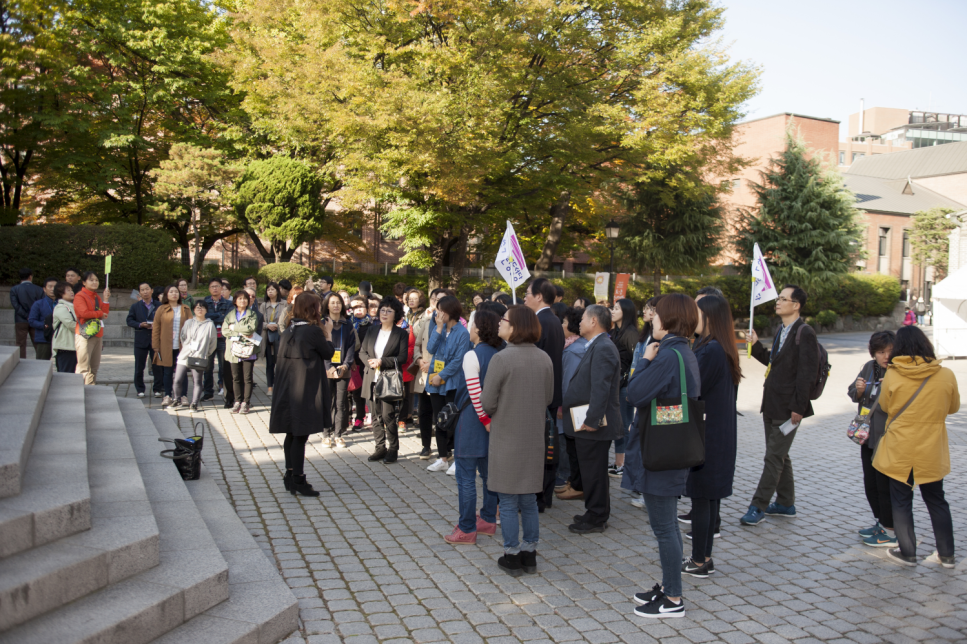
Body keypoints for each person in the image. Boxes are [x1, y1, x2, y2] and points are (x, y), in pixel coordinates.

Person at [626, 293, 701, 619]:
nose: (652, 319)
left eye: (656, 314)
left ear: (669, 319)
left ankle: (673, 599)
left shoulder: (668, 355)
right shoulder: (682, 351)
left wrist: (644, 361)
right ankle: (670, 586)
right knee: (667, 525)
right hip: (672, 448)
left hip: (662, 452)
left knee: (665, 528)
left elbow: (634, 393)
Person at [873, 326, 960, 568]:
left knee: (901, 501)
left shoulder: (893, 374)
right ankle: (947, 555)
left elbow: (886, 406)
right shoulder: (946, 374)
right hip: (931, 447)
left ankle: (908, 552)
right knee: (937, 500)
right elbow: (953, 407)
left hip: (900, 447)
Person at [481, 306, 553, 576]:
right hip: (533, 437)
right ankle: (529, 553)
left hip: (506, 437)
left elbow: (487, 402)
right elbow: (548, 397)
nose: (499, 323)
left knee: (509, 500)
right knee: (529, 500)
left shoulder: (502, 359)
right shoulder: (544, 358)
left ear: (515, 326)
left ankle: (511, 555)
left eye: (504, 319)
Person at [741, 285, 819, 526]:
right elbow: (773, 363)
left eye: (784, 299)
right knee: (779, 455)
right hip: (771, 403)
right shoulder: (781, 330)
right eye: (779, 298)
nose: (778, 302)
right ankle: (785, 504)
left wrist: (798, 407)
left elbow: (807, 374)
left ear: (796, 305)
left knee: (773, 458)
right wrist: (756, 345)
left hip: (788, 408)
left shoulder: (805, 332)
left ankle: (758, 506)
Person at [683, 295, 741, 578]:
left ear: (709, 316)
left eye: (697, 312)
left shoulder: (711, 350)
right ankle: (703, 558)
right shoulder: (718, 347)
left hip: (708, 436)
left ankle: (699, 560)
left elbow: (691, 389)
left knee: (702, 498)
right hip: (717, 434)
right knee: (707, 498)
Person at [561, 304, 622, 534]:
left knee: (594, 471)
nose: (580, 323)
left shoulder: (603, 347)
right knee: (592, 470)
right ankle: (594, 511)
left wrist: (592, 420)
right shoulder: (597, 344)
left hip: (594, 424)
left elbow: (601, 388)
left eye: (583, 319)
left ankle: (597, 517)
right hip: (588, 421)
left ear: (594, 321)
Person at [445, 310, 504, 544]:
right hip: (494, 418)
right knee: (489, 474)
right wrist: (490, 420)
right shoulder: (499, 353)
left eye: (471, 325)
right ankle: (488, 519)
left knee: (466, 477)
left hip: (473, 419)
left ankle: (467, 527)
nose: (469, 329)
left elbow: (475, 393)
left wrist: (484, 420)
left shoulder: (472, 355)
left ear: (478, 329)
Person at [270, 293, 334, 496]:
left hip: (288, 389)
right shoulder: (313, 331)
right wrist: (328, 334)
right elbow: (328, 353)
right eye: (317, 306)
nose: (320, 310)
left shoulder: (289, 329)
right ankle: (298, 479)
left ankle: (290, 475)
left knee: (291, 433)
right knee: (299, 435)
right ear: (311, 309)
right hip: (304, 389)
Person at [848, 330, 896, 547]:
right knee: (870, 484)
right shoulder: (869, 367)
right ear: (873, 353)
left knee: (884, 485)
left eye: (889, 351)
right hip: (867, 435)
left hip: (887, 436)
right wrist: (858, 390)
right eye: (880, 352)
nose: (885, 356)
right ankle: (881, 521)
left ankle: (890, 528)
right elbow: (853, 392)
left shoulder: (898, 371)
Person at [524, 278, 564, 511]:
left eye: (528, 293)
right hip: (549, 393)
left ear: (539, 296)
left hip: (539, 395)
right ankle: (543, 496)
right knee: (546, 445)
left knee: (540, 448)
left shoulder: (541, 322)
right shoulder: (553, 320)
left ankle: (537, 497)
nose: (525, 298)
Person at [425, 295, 472, 472]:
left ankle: (458, 460)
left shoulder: (462, 333)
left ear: (449, 311)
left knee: (454, 419)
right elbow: (430, 348)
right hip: (435, 379)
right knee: (439, 419)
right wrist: (438, 328)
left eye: (440, 310)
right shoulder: (438, 327)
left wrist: (442, 375)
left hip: (452, 381)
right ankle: (442, 458)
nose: (437, 313)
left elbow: (458, 360)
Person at [359, 297, 409, 463]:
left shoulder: (401, 333)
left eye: (389, 311)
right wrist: (370, 362)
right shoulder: (372, 330)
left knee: (388, 415)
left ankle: (393, 449)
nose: (384, 313)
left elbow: (402, 357)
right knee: (374, 415)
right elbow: (362, 352)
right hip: (371, 376)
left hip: (388, 379)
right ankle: (380, 447)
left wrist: (382, 361)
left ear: (396, 314)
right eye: (382, 310)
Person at [622, 296, 659, 509]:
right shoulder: (644, 336)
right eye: (645, 308)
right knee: (638, 443)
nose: (645, 311)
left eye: (650, 308)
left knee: (647, 446)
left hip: (648, 397)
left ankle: (647, 492)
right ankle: (640, 485)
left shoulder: (659, 341)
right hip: (638, 392)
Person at [555, 307, 588, 499]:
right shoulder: (580, 345)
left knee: (573, 447)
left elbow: (568, 383)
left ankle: (576, 484)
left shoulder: (572, 351)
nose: (561, 325)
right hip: (582, 406)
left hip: (574, 408)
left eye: (564, 322)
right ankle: (575, 482)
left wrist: (562, 406)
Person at [608, 298, 638, 479]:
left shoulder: (631, 333)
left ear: (626, 312)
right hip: (616, 384)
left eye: (617, 308)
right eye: (613, 307)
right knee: (618, 424)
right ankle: (619, 461)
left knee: (624, 424)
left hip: (626, 385)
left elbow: (636, 362)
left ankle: (624, 463)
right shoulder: (615, 332)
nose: (612, 310)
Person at [321, 292, 356, 448]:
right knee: (327, 402)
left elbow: (351, 346)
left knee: (341, 403)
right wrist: (329, 367)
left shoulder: (348, 324)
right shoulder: (322, 323)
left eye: (338, 303)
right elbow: (321, 346)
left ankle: (338, 434)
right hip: (326, 368)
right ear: (327, 305)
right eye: (332, 302)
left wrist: (346, 365)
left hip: (343, 368)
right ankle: (326, 434)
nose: (336, 305)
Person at [413, 289, 444, 459]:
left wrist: (430, 365)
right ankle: (426, 446)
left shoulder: (452, 324)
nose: (436, 303)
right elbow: (417, 343)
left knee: (440, 412)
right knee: (424, 411)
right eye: (434, 299)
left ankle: (444, 448)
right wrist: (418, 360)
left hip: (439, 372)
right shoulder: (426, 321)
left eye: (440, 299)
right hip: (423, 371)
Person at [173, 300, 217, 412]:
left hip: (199, 356)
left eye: (202, 307)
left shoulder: (210, 324)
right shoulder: (188, 322)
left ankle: (194, 403)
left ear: (206, 310)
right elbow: (183, 337)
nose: (199, 309)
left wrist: (205, 353)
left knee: (197, 381)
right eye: (197, 307)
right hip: (185, 355)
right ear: (193, 310)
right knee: (177, 379)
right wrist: (187, 348)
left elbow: (213, 343)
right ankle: (177, 399)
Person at [152, 285, 192, 408]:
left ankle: (183, 396)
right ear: (166, 295)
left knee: (182, 372)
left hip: (182, 346)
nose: (174, 294)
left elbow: (192, 327)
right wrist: (156, 345)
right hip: (166, 345)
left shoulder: (185, 309)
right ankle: (168, 395)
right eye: (171, 292)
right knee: (167, 372)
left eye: (176, 292)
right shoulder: (161, 309)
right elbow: (156, 328)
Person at [224, 290, 262, 414]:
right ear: (235, 301)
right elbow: (225, 330)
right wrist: (241, 333)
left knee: (247, 378)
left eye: (245, 298)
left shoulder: (252, 314)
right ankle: (237, 401)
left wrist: (234, 328)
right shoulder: (230, 314)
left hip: (248, 349)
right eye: (239, 298)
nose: (243, 301)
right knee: (235, 378)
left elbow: (250, 329)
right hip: (233, 350)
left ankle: (246, 402)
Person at [73, 271, 111, 385]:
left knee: (94, 367)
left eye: (96, 280)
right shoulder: (80, 296)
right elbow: (83, 313)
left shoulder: (96, 296)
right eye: (91, 280)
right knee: (83, 367)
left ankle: (91, 388)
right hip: (84, 334)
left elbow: (104, 314)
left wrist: (105, 299)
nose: (95, 282)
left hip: (97, 333)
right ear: (84, 282)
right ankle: (79, 390)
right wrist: (99, 314)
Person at [203, 278, 234, 402]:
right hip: (208, 338)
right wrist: (218, 315)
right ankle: (208, 392)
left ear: (222, 288)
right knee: (208, 367)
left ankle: (224, 390)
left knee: (224, 366)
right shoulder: (205, 302)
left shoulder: (228, 303)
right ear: (209, 289)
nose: (215, 288)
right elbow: (204, 317)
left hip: (222, 338)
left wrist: (213, 317)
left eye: (217, 286)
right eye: (212, 286)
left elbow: (227, 318)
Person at [127, 282, 159, 398]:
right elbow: (129, 321)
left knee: (157, 366)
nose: (145, 292)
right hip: (141, 340)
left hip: (155, 339)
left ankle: (157, 389)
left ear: (152, 290)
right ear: (139, 293)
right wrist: (140, 324)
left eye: (147, 289)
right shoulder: (135, 306)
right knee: (139, 366)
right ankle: (140, 389)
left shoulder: (159, 305)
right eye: (142, 290)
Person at [260, 282, 289, 396]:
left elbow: (287, 320)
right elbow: (259, 321)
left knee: (280, 362)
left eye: (272, 289)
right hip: (267, 336)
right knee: (269, 362)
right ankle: (270, 387)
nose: (270, 291)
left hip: (280, 335)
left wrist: (278, 325)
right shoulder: (263, 305)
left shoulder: (284, 304)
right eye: (268, 290)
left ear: (278, 291)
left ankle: (279, 386)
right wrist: (267, 325)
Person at [349, 294, 374, 429]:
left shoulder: (372, 325)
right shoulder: (348, 324)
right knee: (355, 391)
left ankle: (370, 416)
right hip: (352, 361)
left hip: (368, 362)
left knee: (368, 390)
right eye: (355, 307)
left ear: (367, 308)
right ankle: (357, 417)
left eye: (361, 306)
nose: (358, 309)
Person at [11, 268, 43, 359]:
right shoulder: (39, 289)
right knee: (37, 342)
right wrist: (32, 316)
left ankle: (21, 361)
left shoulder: (14, 289)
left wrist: (26, 316)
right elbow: (41, 305)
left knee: (20, 343)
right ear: (30, 276)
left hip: (20, 320)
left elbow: (16, 306)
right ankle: (42, 360)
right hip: (35, 320)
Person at [27, 277, 58, 361]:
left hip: (60, 339)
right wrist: (45, 326)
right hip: (44, 338)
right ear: (44, 289)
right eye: (50, 286)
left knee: (63, 365)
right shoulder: (38, 304)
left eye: (55, 286)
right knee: (41, 363)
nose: (52, 289)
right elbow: (31, 321)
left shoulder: (63, 303)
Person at [51, 282, 78, 373]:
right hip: (65, 347)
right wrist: (86, 330)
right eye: (68, 290)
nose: (71, 292)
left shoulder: (72, 306)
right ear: (61, 293)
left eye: (71, 290)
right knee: (66, 374)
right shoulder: (61, 307)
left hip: (73, 346)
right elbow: (70, 324)